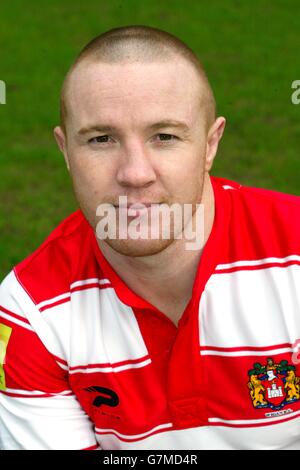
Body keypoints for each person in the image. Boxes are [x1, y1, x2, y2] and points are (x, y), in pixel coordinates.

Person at [0, 25, 300, 451]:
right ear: (66, 151)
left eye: (165, 136)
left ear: (210, 144)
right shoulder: (31, 311)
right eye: (102, 139)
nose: (135, 173)